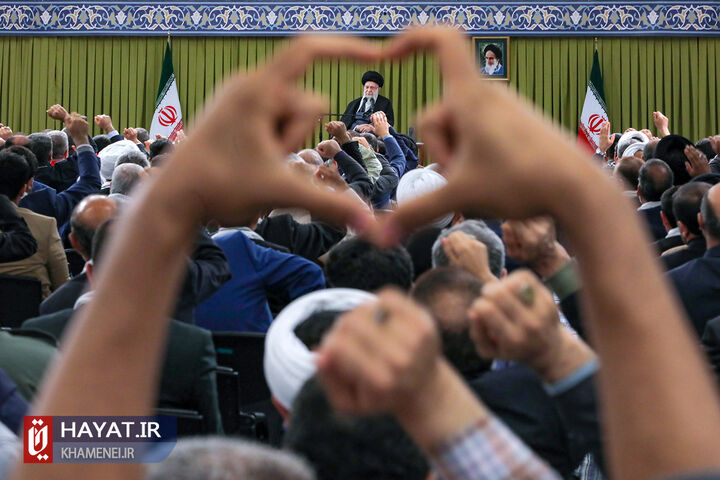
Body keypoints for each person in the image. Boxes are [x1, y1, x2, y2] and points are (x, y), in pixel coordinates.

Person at [10, 28, 720, 480]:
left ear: (281, 413)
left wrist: (157, 221)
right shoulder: (519, 427)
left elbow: (51, 451)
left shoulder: (158, 444)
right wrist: (592, 208)